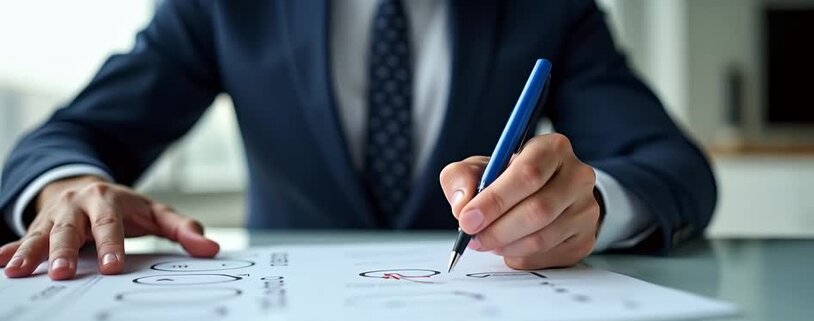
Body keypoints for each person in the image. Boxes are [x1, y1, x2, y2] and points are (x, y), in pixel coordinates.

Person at [0, 0, 716, 281]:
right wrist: (68, 187)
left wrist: (591, 207)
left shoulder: (550, 10)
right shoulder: (222, 8)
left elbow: (672, 167)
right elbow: (71, 135)